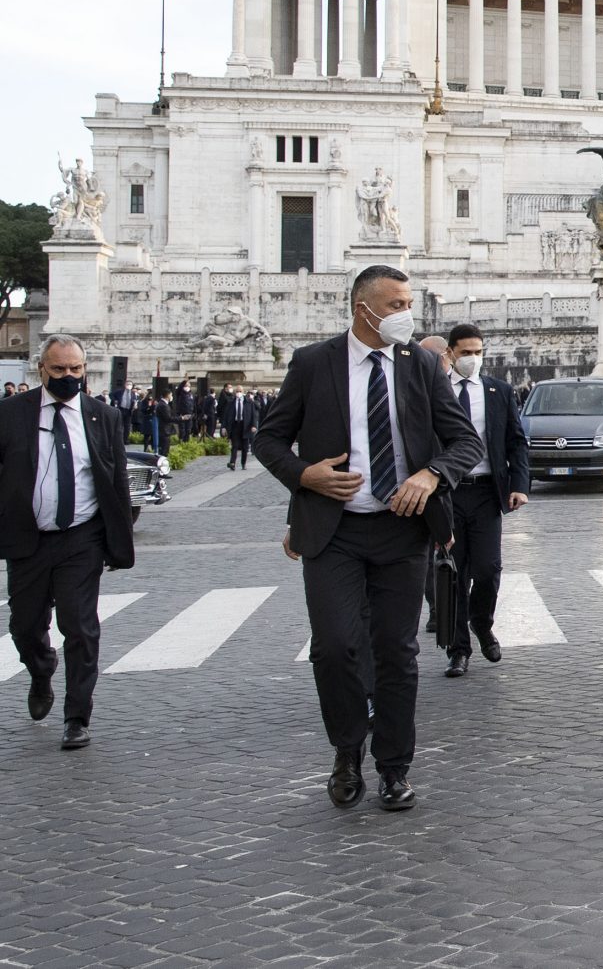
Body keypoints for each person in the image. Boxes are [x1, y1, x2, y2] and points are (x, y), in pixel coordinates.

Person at [255, 265, 483, 812]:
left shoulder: (423, 365)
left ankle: (394, 767)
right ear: (366, 309)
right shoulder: (314, 364)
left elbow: (464, 442)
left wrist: (431, 475)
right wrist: (304, 475)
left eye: (409, 302)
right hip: (332, 531)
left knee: (397, 652)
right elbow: (269, 439)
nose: (409, 312)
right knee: (333, 647)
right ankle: (346, 748)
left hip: (402, 531)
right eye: (399, 303)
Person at [0, 335, 134, 751]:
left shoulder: (103, 416)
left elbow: (115, 480)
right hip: (29, 538)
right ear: (41, 369)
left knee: (79, 626)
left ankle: (77, 717)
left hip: (82, 538)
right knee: (24, 626)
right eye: (59, 370)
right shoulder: (9, 414)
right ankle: (41, 671)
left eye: (75, 369)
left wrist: (118, 542)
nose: (68, 377)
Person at [440, 324, 530, 679]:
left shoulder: (498, 390)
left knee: (489, 569)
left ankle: (482, 623)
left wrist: (520, 484)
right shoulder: (436, 392)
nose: (472, 359)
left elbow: (515, 441)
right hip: (447, 492)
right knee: (455, 573)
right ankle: (458, 649)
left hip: (485, 490)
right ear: (450, 353)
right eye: (466, 353)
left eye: (478, 352)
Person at [220, 383, 259, 470]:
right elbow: (225, 416)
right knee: (235, 445)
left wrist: (254, 426)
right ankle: (232, 462)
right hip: (235, 426)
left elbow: (254, 415)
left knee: (245, 447)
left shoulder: (249, 402)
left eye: (240, 391)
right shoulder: (230, 402)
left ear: (243, 392)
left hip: (245, 426)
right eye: (237, 391)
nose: (238, 393)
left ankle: (243, 463)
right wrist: (223, 427)